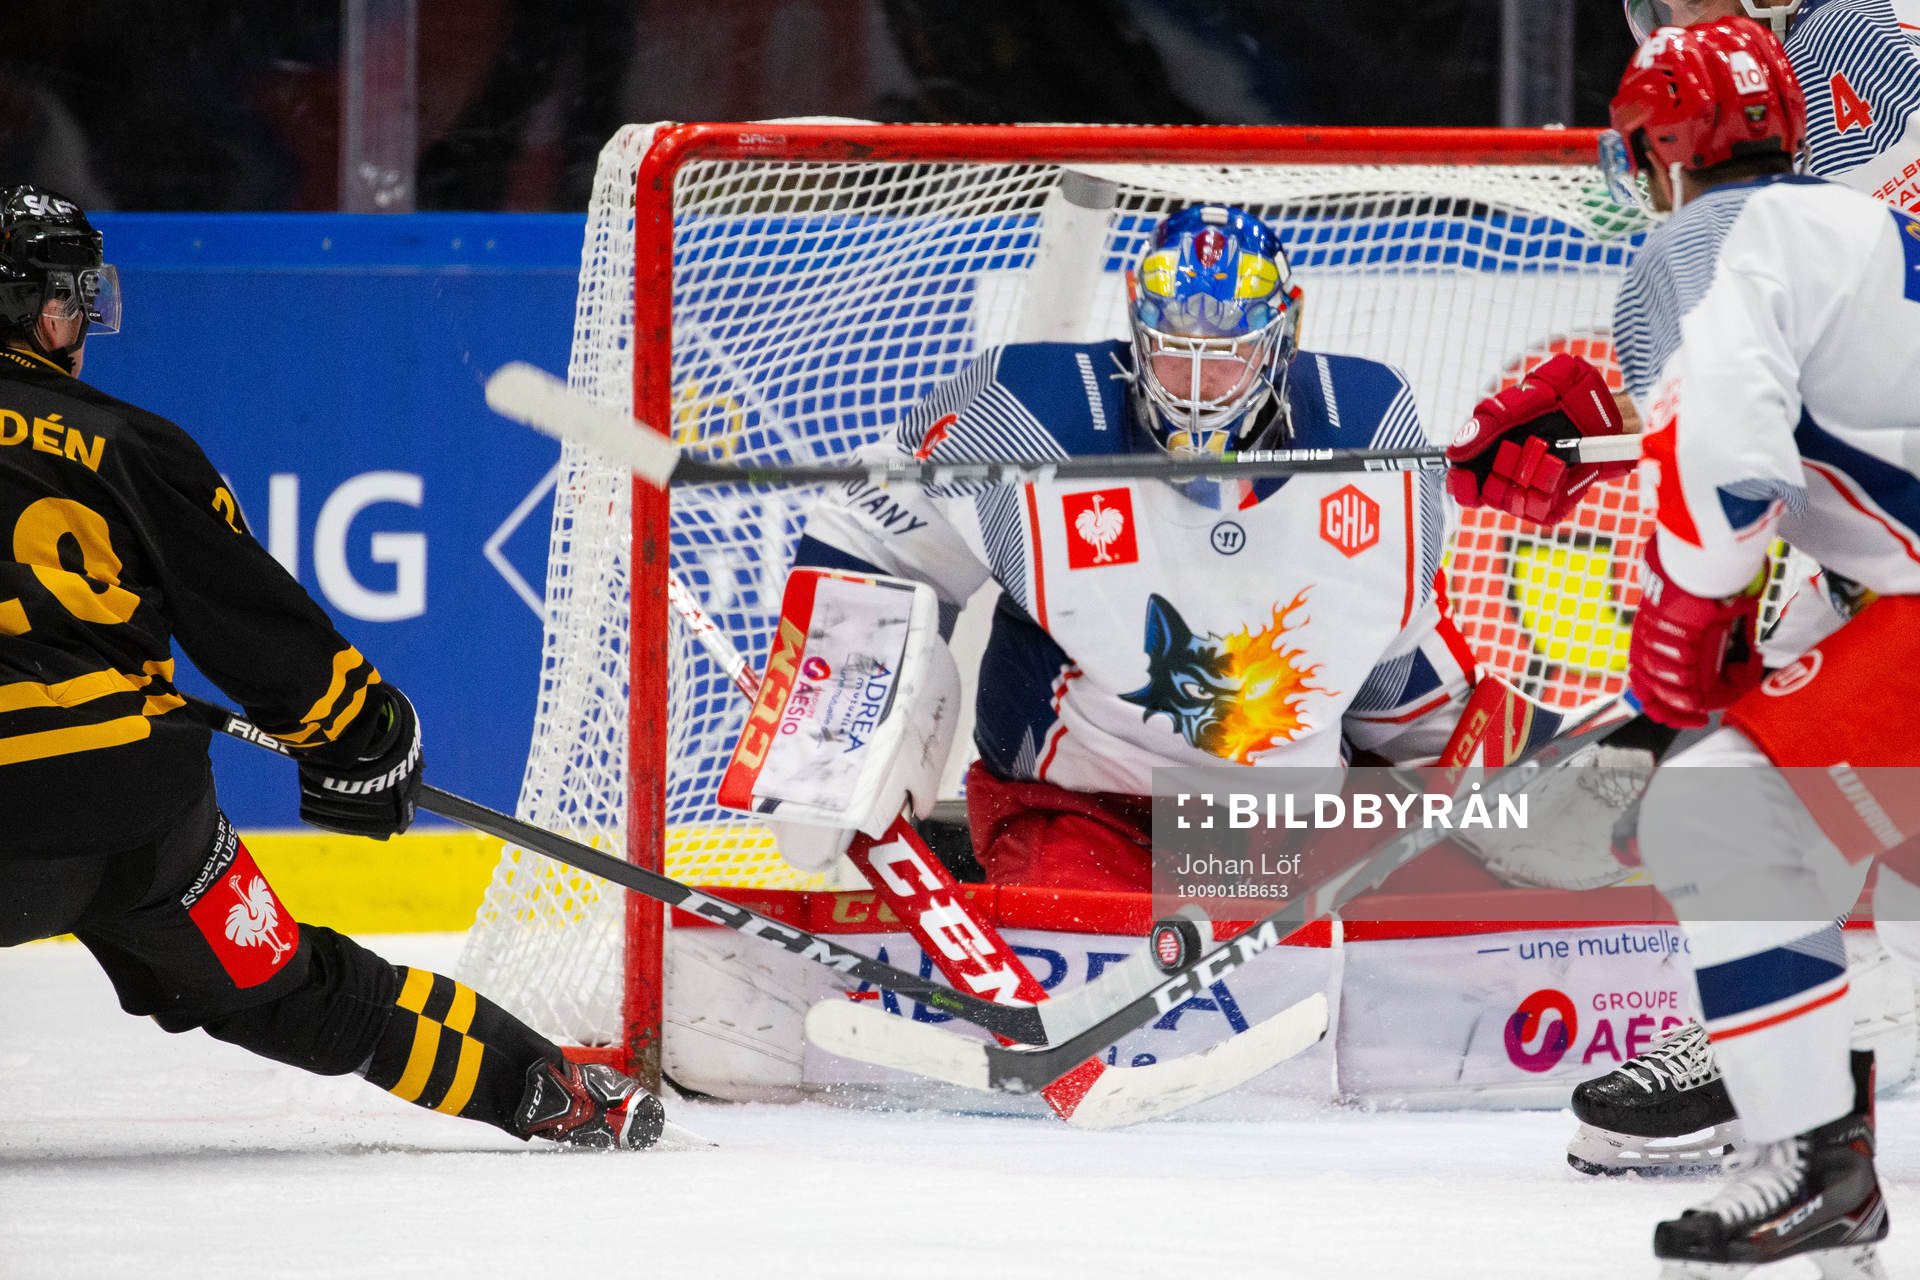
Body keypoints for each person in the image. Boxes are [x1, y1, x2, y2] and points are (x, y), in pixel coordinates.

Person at [0, 185, 661, 1151]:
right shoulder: (126, 443)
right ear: (40, 309)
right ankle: (553, 1091)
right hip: (125, 811)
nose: (81, 326)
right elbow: (251, 622)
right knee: (295, 990)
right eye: (71, 300)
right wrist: (363, 734)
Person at [786, 202, 1637, 896]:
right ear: (1138, 324)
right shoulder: (1028, 412)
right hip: (1086, 820)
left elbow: (1389, 682)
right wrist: (826, 741)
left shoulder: (1375, 431)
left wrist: (1532, 786)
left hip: (1292, 837)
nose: (1198, 388)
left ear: (1284, 332)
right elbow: (871, 535)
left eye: (1227, 356)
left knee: (1474, 930)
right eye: (1175, 353)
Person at [1449, 18, 1917, 1274]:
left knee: (1720, 809)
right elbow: (1819, 422)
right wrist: (1615, 425)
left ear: (1662, 150)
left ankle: (1815, 1161)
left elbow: (1728, 456)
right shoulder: (1862, 221)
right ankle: (1823, 1168)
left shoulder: (1698, 239)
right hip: (1895, 592)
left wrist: (1682, 623)